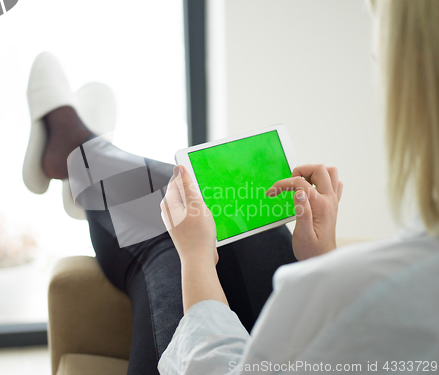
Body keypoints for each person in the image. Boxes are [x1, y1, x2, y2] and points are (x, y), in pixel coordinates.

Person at [24, 0, 439, 373]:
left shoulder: (374, 289)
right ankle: (90, 156)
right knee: (251, 227)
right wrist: (320, 261)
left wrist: (196, 260)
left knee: (169, 235)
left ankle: (82, 152)